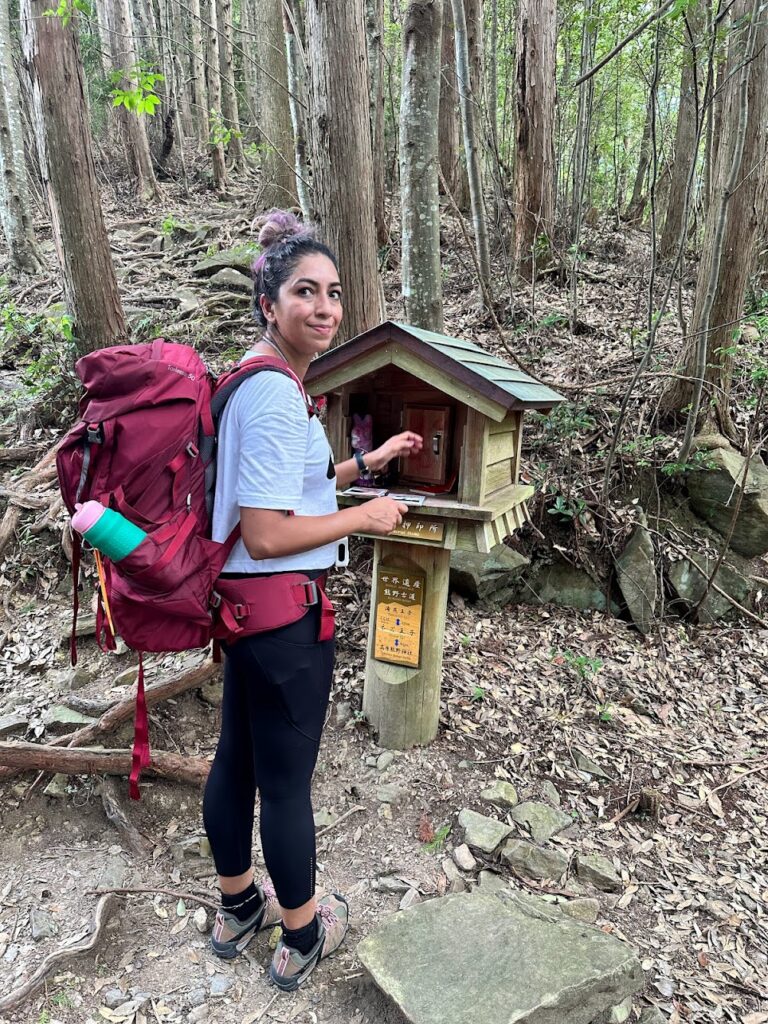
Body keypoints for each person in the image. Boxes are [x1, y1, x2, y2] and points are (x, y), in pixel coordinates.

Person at [202, 209, 423, 991]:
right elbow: (266, 532)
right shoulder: (272, 393)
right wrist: (366, 516)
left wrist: (369, 462)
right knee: (285, 783)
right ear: (269, 303)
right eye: (305, 292)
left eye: (332, 292)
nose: (325, 307)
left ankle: (239, 906)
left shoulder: (259, 379)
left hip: (247, 614)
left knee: (237, 758)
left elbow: (295, 486)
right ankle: (301, 932)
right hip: (283, 621)